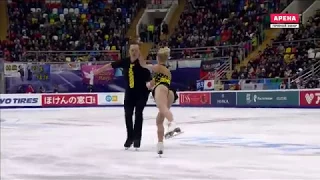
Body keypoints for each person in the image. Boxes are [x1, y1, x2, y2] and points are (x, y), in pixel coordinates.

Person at [94, 42, 151, 150]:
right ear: (129, 51)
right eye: (132, 50)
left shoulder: (143, 64)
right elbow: (111, 65)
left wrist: (151, 86)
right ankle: (130, 137)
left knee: (138, 113)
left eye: (136, 50)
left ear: (139, 51)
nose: (134, 52)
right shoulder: (125, 62)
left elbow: (149, 77)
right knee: (128, 114)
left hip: (142, 92)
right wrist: (99, 70)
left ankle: (137, 139)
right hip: (130, 92)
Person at [140, 47, 181, 155]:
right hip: (170, 92)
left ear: (158, 58)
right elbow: (153, 82)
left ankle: (173, 124)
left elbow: (147, 67)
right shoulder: (166, 72)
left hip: (161, 89)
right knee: (159, 120)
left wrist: (141, 63)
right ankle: (160, 144)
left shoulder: (158, 67)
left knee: (162, 108)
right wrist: (147, 85)